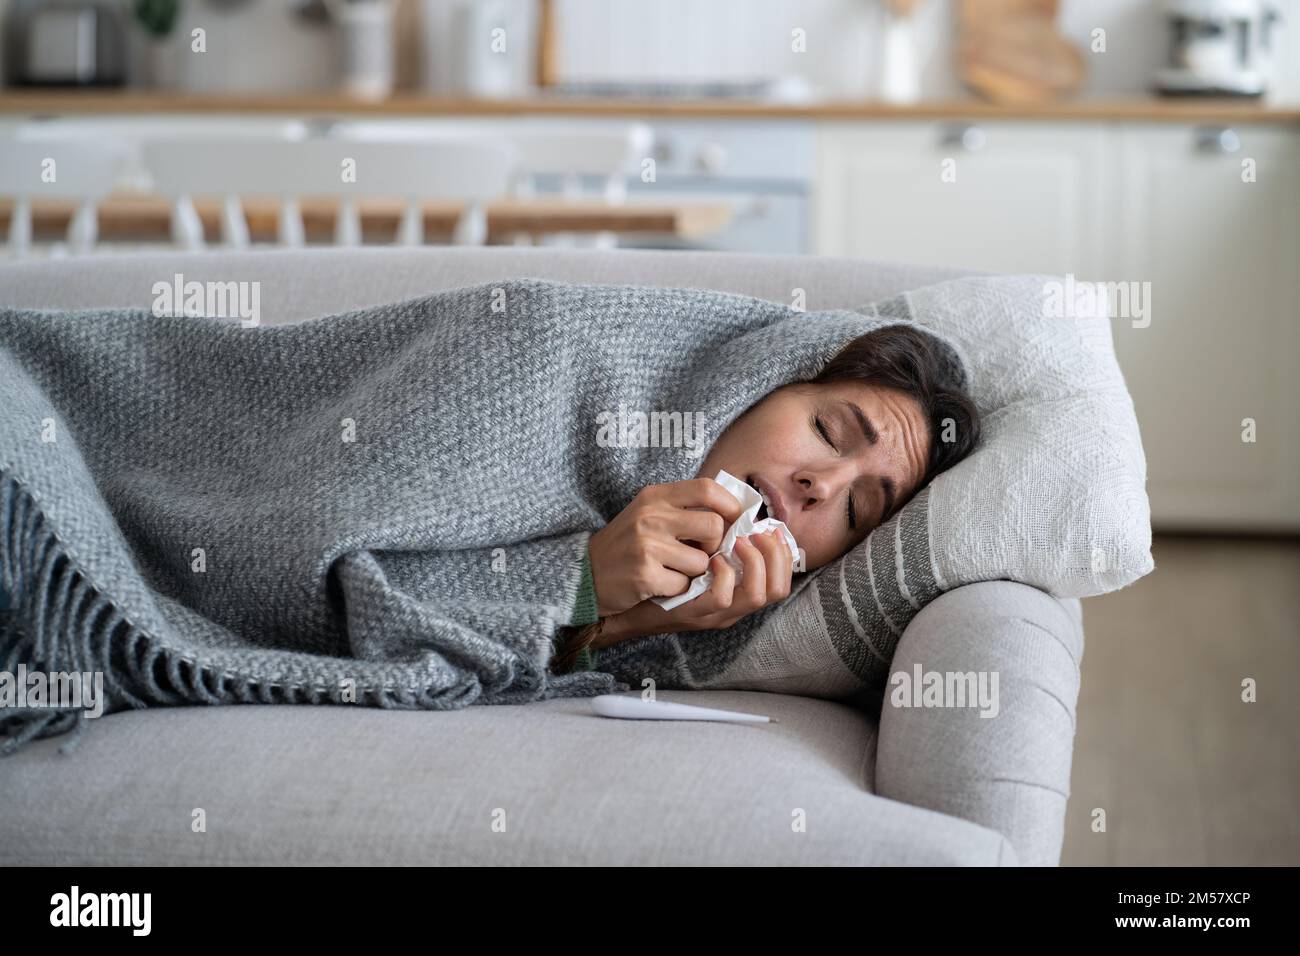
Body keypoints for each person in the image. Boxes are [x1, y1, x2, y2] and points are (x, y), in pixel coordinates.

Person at [551, 324, 981, 673]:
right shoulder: (558, 348)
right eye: (827, 431)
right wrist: (578, 574)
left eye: (856, 510)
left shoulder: (687, 626)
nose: (824, 486)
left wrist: (617, 624)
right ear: (763, 382)